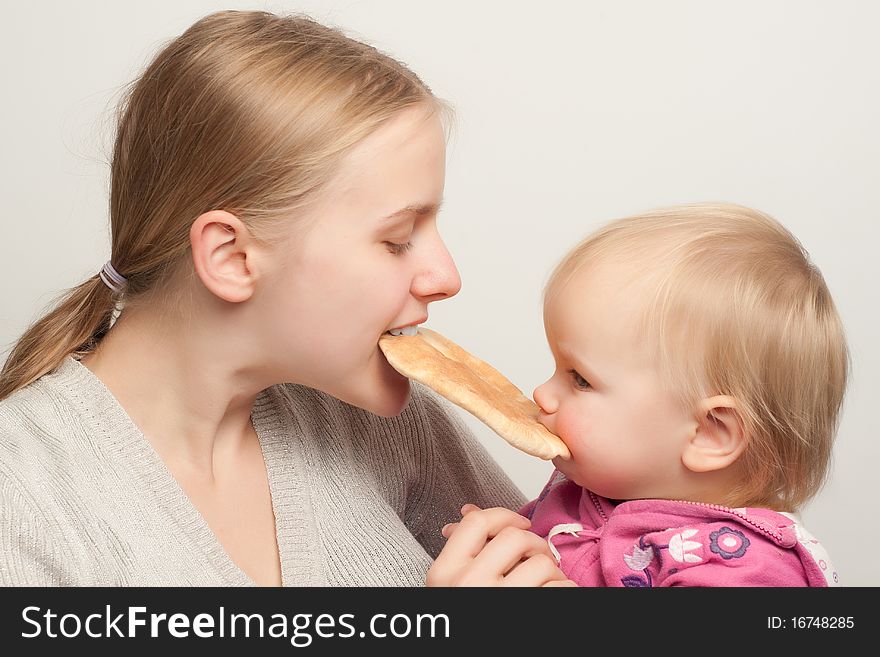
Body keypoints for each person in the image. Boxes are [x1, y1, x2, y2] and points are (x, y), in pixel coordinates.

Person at [0, 10, 570, 587]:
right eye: (397, 240)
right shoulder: (20, 505)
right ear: (232, 258)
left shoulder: (384, 422)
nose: (445, 276)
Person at [428, 203, 848, 587]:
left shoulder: (745, 571)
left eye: (580, 380)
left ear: (710, 433)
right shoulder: (591, 485)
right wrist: (496, 550)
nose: (542, 393)